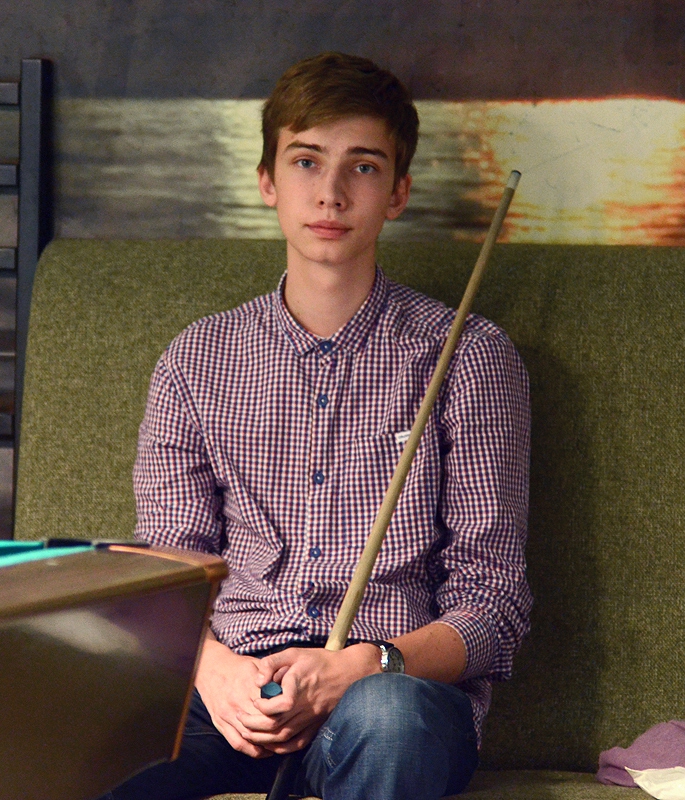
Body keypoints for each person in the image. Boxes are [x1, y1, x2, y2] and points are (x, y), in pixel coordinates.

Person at [104, 52, 532, 800]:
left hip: (386, 691)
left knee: (389, 722)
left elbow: (495, 604)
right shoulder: (195, 360)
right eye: (306, 162)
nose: (331, 193)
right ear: (268, 180)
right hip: (233, 687)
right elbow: (169, 572)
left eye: (363, 167)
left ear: (398, 192)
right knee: (85, 731)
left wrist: (364, 665)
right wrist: (215, 671)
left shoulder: (469, 355)